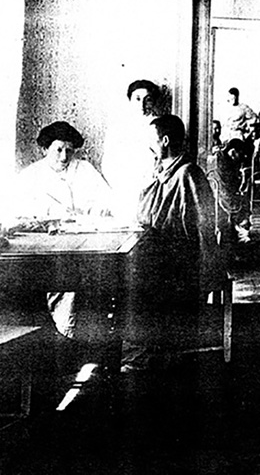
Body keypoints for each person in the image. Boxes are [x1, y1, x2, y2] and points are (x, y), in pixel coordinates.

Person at [124, 114, 223, 370]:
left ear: (164, 141)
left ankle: (148, 354)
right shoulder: (162, 172)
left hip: (181, 263)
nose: (148, 146)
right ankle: (142, 351)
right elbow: (144, 214)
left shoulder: (189, 174)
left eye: (152, 140)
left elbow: (204, 227)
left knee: (135, 281)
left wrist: (208, 270)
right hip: (164, 256)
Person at [12, 121, 113, 339]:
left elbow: (106, 201)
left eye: (69, 150)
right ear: (44, 149)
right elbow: (18, 213)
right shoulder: (31, 175)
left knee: (84, 284)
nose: (64, 156)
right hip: (45, 245)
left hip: (83, 241)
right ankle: (62, 332)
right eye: (58, 150)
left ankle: (78, 334)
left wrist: (98, 210)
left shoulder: (84, 169)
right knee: (59, 283)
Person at [104, 79, 165, 219]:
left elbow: (163, 157)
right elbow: (108, 161)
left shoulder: (159, 126)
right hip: (124, 186)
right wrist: (121, 183)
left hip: (151, 186)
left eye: (147, 100)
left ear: (154, 102)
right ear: (130, 100)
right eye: (137, 99)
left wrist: (151, 180)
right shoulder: (117, 127)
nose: (142, 105)